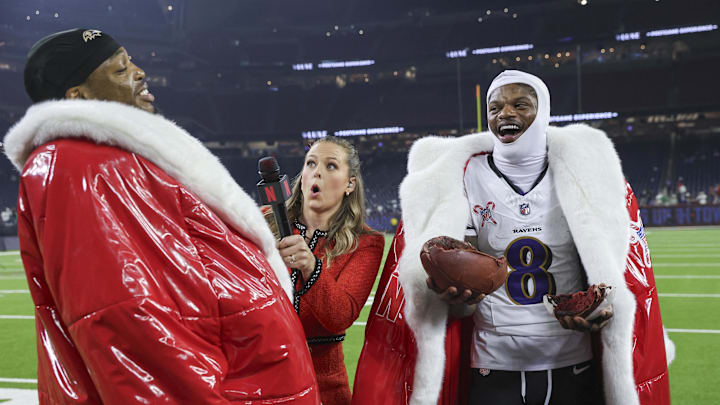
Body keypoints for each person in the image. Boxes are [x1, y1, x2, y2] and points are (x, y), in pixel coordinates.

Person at [3, 28, 320, 404]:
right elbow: (128, 319)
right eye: (120, 71)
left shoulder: (116, 159)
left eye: (132, 63)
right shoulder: (78, 165)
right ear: (79, 96)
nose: (139, 73)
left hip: (248, 380)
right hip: (227, 388)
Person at [353, 70, 673, 405]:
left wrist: (600, 309)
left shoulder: (583, 176)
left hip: (571, 362)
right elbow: (467, 275)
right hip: (493, 363)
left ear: (544, 111)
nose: (506, 113)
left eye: (521, 104)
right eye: (495, 108)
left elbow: (611, 272)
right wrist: (457, 297)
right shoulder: (466, 175)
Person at [265, 136, 385, 405]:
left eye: (331, 166)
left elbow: (340, 315)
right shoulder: (263, 222)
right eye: (310, 163)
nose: (316, 171)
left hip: (325, 390)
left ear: (350, 183)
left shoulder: (366, 243)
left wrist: (310, 266)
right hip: (263, 381)